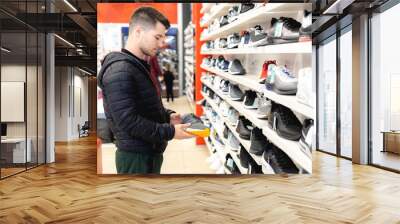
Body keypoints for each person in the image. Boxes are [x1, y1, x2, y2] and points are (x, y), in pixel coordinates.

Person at [98, 7, 195, 174]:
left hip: (147, 152)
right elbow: (129, 122)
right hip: (136, 157)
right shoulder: (120, 71)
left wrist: (167, 116)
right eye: (157, 37)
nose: (161, 43)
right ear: (138, 32)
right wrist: (170, 132)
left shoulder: (137, 66)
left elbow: (142, 105)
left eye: (163, 38)